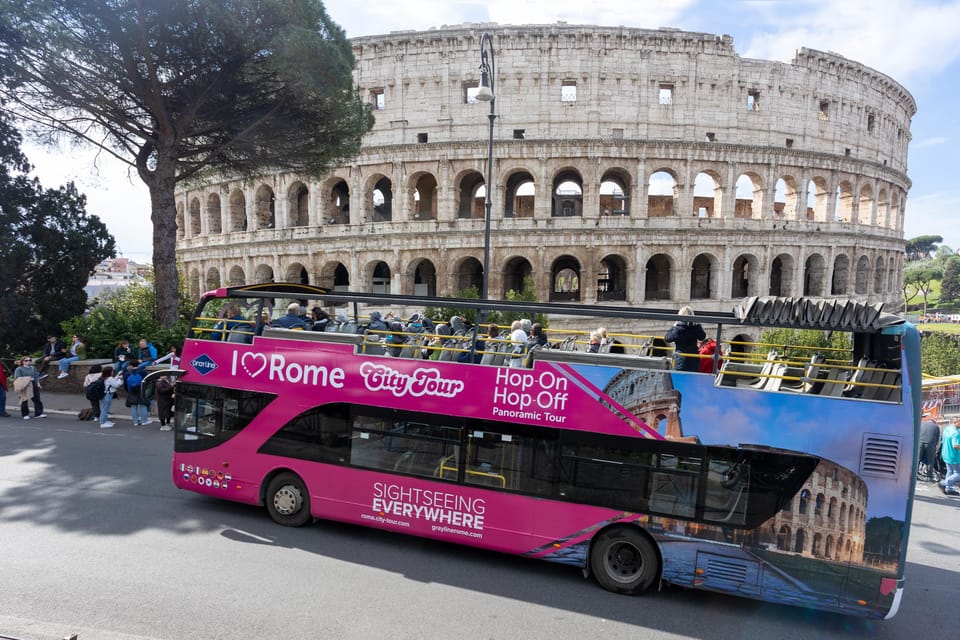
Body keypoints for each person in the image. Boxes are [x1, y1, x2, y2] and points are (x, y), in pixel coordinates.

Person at [664, 306, 706, 372]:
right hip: (694, 359)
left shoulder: (678, 329)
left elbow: (667, 338)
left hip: (681, 359)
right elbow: (702, 337)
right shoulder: (695, 327)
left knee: (679, 379)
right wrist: (697, 325)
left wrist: (674, 326)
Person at [123, 359, 153, 426]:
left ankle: (135, 422)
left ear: (130, 365)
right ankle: (144, 421)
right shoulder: (143, 372)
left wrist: (128, 391)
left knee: (133, 406)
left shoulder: (127, 373)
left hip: (131, 391)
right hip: (141, 390)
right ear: (138, 364)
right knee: (143, 405)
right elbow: (148, 381)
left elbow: (125, 384)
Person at [939, 418, 960, 496]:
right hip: (954, 456)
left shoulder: (947, 429)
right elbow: (955, 445)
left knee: (950, 472)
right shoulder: (956, 432)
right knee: (958, 473)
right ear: (956, 422)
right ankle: (943, 483)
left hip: (946, 453)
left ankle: (949, 488)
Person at [918, 416, 942, 482]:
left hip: (920, 442)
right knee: (930, 461)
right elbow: (937, 438)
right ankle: (929, 476)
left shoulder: (921, 424)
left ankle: (915, 474)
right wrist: (935, 445)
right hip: (931, 444)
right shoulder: (936, 427)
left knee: (918, 459)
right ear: (933, 422)